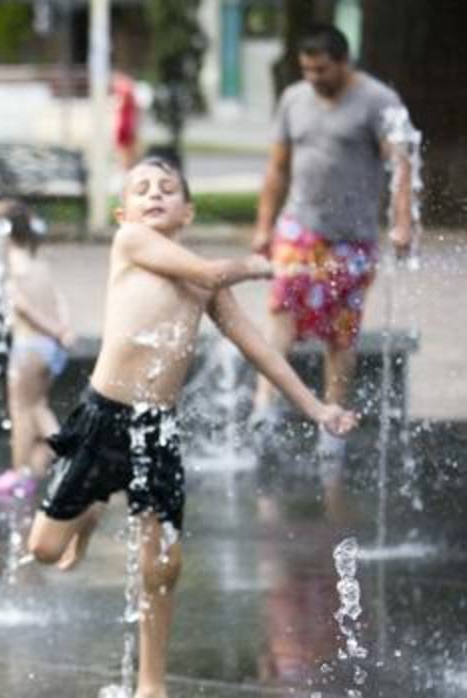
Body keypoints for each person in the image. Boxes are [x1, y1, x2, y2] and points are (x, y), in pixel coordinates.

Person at [26, 158, 358, 698]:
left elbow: (261, 352)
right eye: (141, 189)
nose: (154, 195)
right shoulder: (132, 243)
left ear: (188, 211)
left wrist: (318, 408)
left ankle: (151, 685)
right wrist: (263, 264)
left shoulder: (207, 286)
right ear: (123, 212)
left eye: (167, 189)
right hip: (103, 417)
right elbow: (210, 272)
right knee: (43, 549)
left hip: (156, 429)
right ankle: (90, 509)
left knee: (164, 563)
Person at [249, 24, 414, 461]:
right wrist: (264, 225)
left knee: (341, 331)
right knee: (281, 307)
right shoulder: (294, 99)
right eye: (306, 69)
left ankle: (332, 417)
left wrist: (401, 223)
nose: (313, 78)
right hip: (299, 228)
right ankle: (265, 407)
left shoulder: (378, 101)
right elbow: (277, 167)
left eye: (321, 69)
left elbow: (401, 165)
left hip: (351, 239)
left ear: (344, 63)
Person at [0, 200, 76, 500]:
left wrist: (53, 328)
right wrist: (63, 329)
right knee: (38, 404)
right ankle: (35, 470)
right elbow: (59, 299)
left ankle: (28, 469)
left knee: (24, 410)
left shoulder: (12, 270)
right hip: (50, 348)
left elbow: (22, 307)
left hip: (29, 347)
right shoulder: (38, 265)